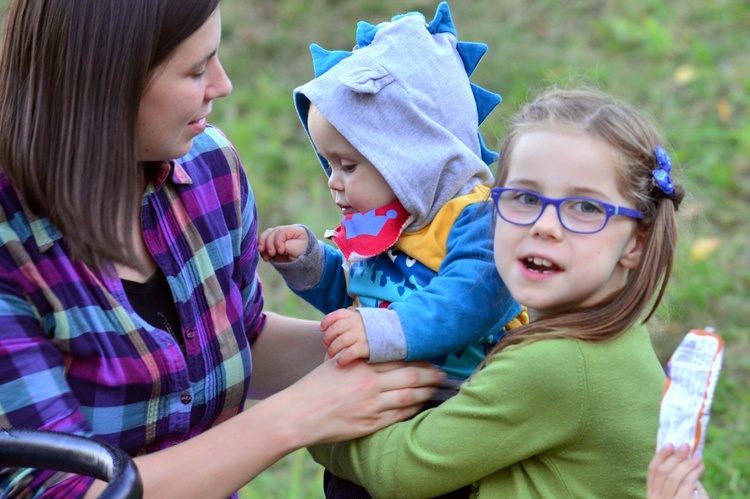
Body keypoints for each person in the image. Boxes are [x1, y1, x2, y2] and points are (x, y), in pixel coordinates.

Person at [0, 1, 444, 498]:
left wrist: (434, 345)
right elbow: (61, 491)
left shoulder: (207, 167)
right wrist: (295, 417)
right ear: (104, 82)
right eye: (195, 70)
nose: (222, 84)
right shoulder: (11, 253)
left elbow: (239, 336)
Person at [307, 86, 687, 498]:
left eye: (586, 208)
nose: (544, 225)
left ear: (635, 241)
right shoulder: (605, 338)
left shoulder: (558, 365)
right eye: (525, 197)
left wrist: (318, 426)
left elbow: (401, 471)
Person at [259, 2, 523, 382]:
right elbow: (358, 297)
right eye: (330, 164)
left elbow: (471, 301)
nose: (333, 180)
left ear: (414, 156)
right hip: (401, 403)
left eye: (348, 166)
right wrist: (311, 263)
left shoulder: (478, 218)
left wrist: (381, 330)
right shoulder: (383, 225)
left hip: (473, 401)